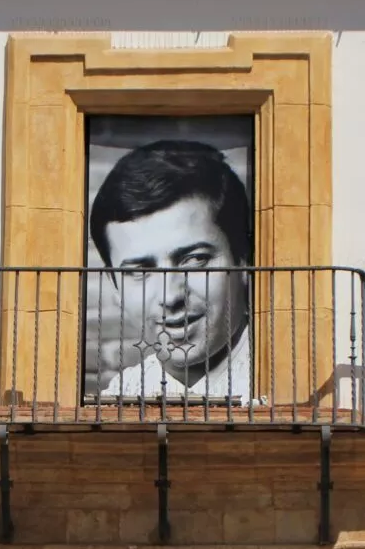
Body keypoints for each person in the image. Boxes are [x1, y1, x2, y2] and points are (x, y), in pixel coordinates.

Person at [87, 140, 252, 402]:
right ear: (115, 287)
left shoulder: (283, 380)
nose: (170, 296)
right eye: (140, 270)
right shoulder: (121, 396)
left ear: (244, 262)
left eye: (195, 259)